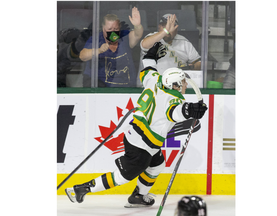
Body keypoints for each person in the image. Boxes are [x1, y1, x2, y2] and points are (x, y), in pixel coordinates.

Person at [65, 42, 207, 207]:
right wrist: (191, 110)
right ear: (174, 85)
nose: (185, 85)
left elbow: (148, 67)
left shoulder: (154, 80)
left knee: (157, 164)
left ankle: (138, 196)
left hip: (138, 136)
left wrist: (150, 55)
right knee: (122, 177)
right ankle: (80, 189)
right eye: (182, 82)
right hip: (142, 146)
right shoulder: (171, 99)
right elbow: (176, 111)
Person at [80, 7, 143, 87]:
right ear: (103, 29)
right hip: (101, 88)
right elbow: (82, 56)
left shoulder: (124, 36)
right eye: (109, 29)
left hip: (126, 88)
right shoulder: (96, 39)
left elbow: (137, 35)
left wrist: (137, 25)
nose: (113, 32)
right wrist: (99, 50)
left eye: (115, 29)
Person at [137, 14, 201, 86]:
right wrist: (165, 31)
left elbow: (198, 62)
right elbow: (144, 45)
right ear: (159, 27)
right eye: (164, 26)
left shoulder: (184, 42)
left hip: (176, 87)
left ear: (176, 29)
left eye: (171, 26)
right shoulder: (153, 38)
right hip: (151, 87)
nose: (168, 29)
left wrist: (191, 67)